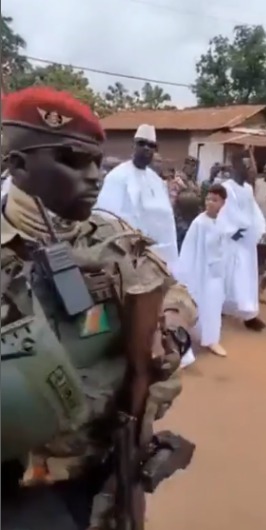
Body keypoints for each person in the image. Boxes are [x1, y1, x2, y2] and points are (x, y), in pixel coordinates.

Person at [1, 87, 198, 529]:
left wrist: (173, 326)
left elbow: (175, 293)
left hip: (99, 467)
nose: (94, 175)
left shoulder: (112, 240)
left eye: (96, 161)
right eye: (72, 161)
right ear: (18, 166)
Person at [94, 124, 179, 271]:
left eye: (151, 145)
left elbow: (167, 221)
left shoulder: (156, 181)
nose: (146, 148)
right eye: (142, 143)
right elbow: (107, 217)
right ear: (133, 146)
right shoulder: (118, 177)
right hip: (130, 255)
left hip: (160, 257)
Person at [175, 183, 228, 357]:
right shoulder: (199, 223)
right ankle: (186, 343)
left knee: (214, 306)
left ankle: (212, 340)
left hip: (218, 272)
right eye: (208, 198)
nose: (210, 202)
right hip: (201, 272)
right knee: (198, 305)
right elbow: (189, 250)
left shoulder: (225, 222)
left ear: (223, 203)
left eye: (215, 200)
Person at [219, 152, 266, 331]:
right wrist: (233, 231)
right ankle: (222, 307)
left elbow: (253, 211)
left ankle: (249, 314)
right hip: (231, 239)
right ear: (235, 167)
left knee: (246, 277)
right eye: (247, 166)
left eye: (251, 166)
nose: (251, 170)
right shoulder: (226, 188)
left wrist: (260, 229)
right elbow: (223, 211)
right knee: (229, 277)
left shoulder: (247, 188)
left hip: (246, 241)